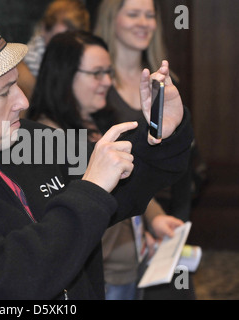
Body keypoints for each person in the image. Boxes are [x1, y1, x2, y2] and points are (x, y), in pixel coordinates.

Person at [0, 10, 193, 299]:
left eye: (16, 84)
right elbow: (12, 280)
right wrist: (91, 191)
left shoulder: (27, 137)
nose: (22, 101)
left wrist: (160, 134)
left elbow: (127, 184)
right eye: (3, 92)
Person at [27, 30, 184, 300]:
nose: (108, 82)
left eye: (109, 72)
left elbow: (128, 177)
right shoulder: (45, 139)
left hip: (126, 265)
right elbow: (68, 218)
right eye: (97, 73)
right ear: (64, 75)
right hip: (100, 278)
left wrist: (152, 217)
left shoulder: (98, 120)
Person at [93, 0, 199, 298]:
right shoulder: (97, 86)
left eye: (150, 15)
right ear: (112, 20)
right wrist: (147, 219)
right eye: (133, 14)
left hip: (170, 203)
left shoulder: (166, 82)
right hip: (124, 218)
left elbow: (185, 151)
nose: (143, 22)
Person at [17, 0, 90, 100]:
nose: (66, 47)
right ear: (44, 29)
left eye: (74, 41)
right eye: (60, 38)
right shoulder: (21, 74)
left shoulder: (83, 69)